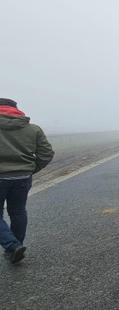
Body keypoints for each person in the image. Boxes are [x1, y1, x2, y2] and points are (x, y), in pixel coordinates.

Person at [0, 98, 54, 264]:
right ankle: (17, 247)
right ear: (16, 110)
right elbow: (47, 153)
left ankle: (12, 246)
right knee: (18, 211)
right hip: (23, 177)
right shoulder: (33, 129)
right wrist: (30, 170)